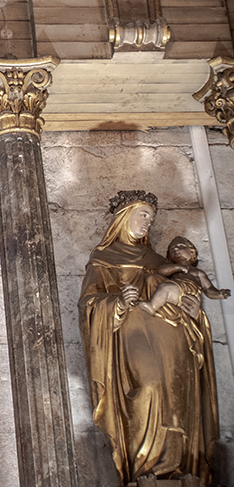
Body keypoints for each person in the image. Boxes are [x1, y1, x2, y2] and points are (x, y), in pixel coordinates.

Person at [78, 191, 219, 486]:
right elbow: (89, 303)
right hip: (133, 331)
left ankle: (179, 467)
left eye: (151, 219)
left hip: (173, 335)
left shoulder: (158, 260)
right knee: (149, 388)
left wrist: (195, 314)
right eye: (143, 215)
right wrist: (117, 302)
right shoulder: (103, 258)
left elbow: (185, 292)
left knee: (177, 395)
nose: (147, 223)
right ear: (124, 216)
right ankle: (144, 466)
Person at [137, 235, 231, 315]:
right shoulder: (172, 269)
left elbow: (208, 289)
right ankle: (157, 306)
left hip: (189, 291)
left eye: (181, 246)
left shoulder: (197, 272)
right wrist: (177, 267)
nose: (176, 249)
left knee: (165, 287)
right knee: (163, 285)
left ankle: (152, 306)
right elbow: (160, 271)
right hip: (176, 290)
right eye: (172, 249)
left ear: (192, 251)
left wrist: (219, 294)